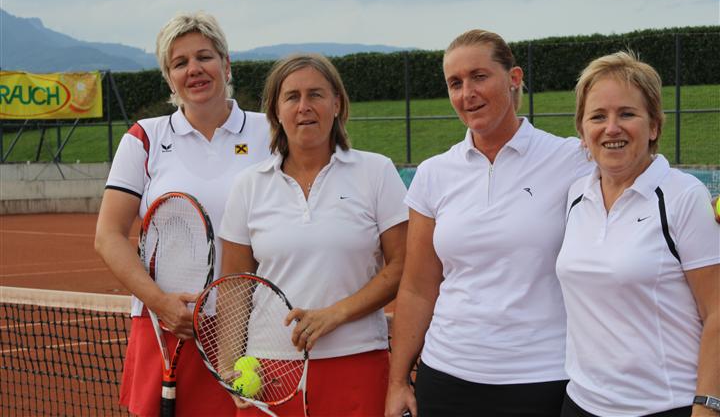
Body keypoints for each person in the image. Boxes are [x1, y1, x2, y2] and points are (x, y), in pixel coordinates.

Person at [385, 29, 594, 417]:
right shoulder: (433, 174)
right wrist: (397, 382)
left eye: (479, 77)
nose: (468, 93)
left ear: (513, 78)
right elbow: (417, 287)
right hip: (445, 377)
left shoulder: (573, 160)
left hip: (543, 378)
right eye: (455, 83)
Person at [95, 11, 271, 416]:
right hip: (168, 328)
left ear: (226, 64)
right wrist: (161, 303)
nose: (194, 69)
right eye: (180, 62)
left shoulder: (271, 132)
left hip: (255, 330)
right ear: (169, 77)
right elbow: (108, 236)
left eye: (204, 57)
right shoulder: (144, 138)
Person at [219, 53, 408, 416]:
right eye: (292, 97)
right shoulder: (248, 185)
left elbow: (403, 265)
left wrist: (336, 314)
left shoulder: (376, 171)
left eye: (316, 95)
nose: (304, 106)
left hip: (357, 363)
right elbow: (234, 285)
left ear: (337, 103)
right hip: (268, 371)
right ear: (276, 111)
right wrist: (228, 363)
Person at [556, 51, 719, 417]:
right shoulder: (576, 196)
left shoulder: (684, 196)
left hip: (664, 405)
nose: (612, 128)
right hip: (581, 403)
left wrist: (708, 405)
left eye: (627, 114)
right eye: (598, 116)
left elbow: (717, 312)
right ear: (582, 131)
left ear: (654, 126)